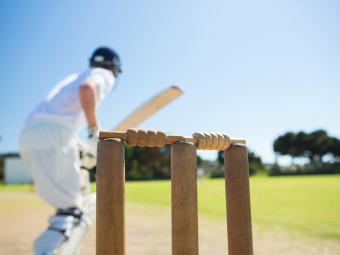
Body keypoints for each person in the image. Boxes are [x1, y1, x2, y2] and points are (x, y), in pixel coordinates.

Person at [19, 47, 122, 254]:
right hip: (53, 137)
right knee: (75, 211)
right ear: (113, 66)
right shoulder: (104, 74)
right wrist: (94, 132)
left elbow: (58, 117)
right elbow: (87, 89)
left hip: (29, 136)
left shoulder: (72, 78)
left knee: (67, 205)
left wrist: (82, 147)